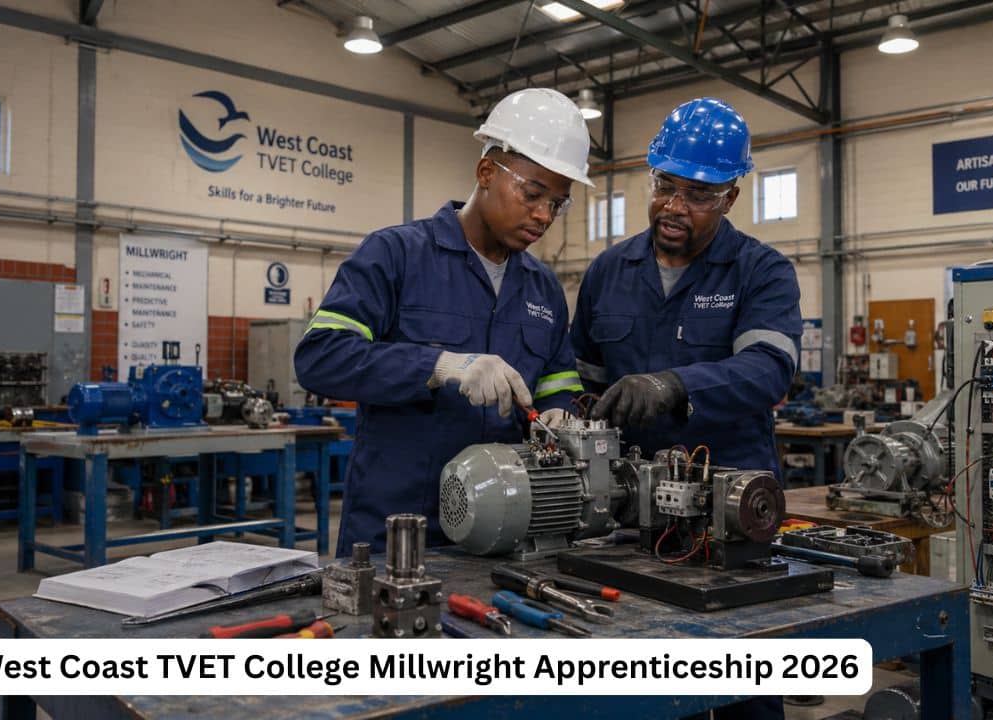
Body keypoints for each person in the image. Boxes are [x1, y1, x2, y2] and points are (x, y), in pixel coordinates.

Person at [570, 97, 801, 720]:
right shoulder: (608, 272)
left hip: (727, 524)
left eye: (697, 194)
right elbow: (580, 378)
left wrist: (673, 386)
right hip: (624, 523)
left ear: (730, 196)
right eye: (665, 186)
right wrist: (576, 412)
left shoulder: (762, 272)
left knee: (744, 688)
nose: (674, 207)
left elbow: (768, 369)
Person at [296, 88, 590, 554]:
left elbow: (557, 380)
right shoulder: (395, 255)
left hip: (502, 530)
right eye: (533, 193)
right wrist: (440, 366)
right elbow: (320, 356)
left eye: (558, 203)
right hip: (395, 533)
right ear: (486, 172)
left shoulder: (543, 287)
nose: (544, 215)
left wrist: (561, 414)